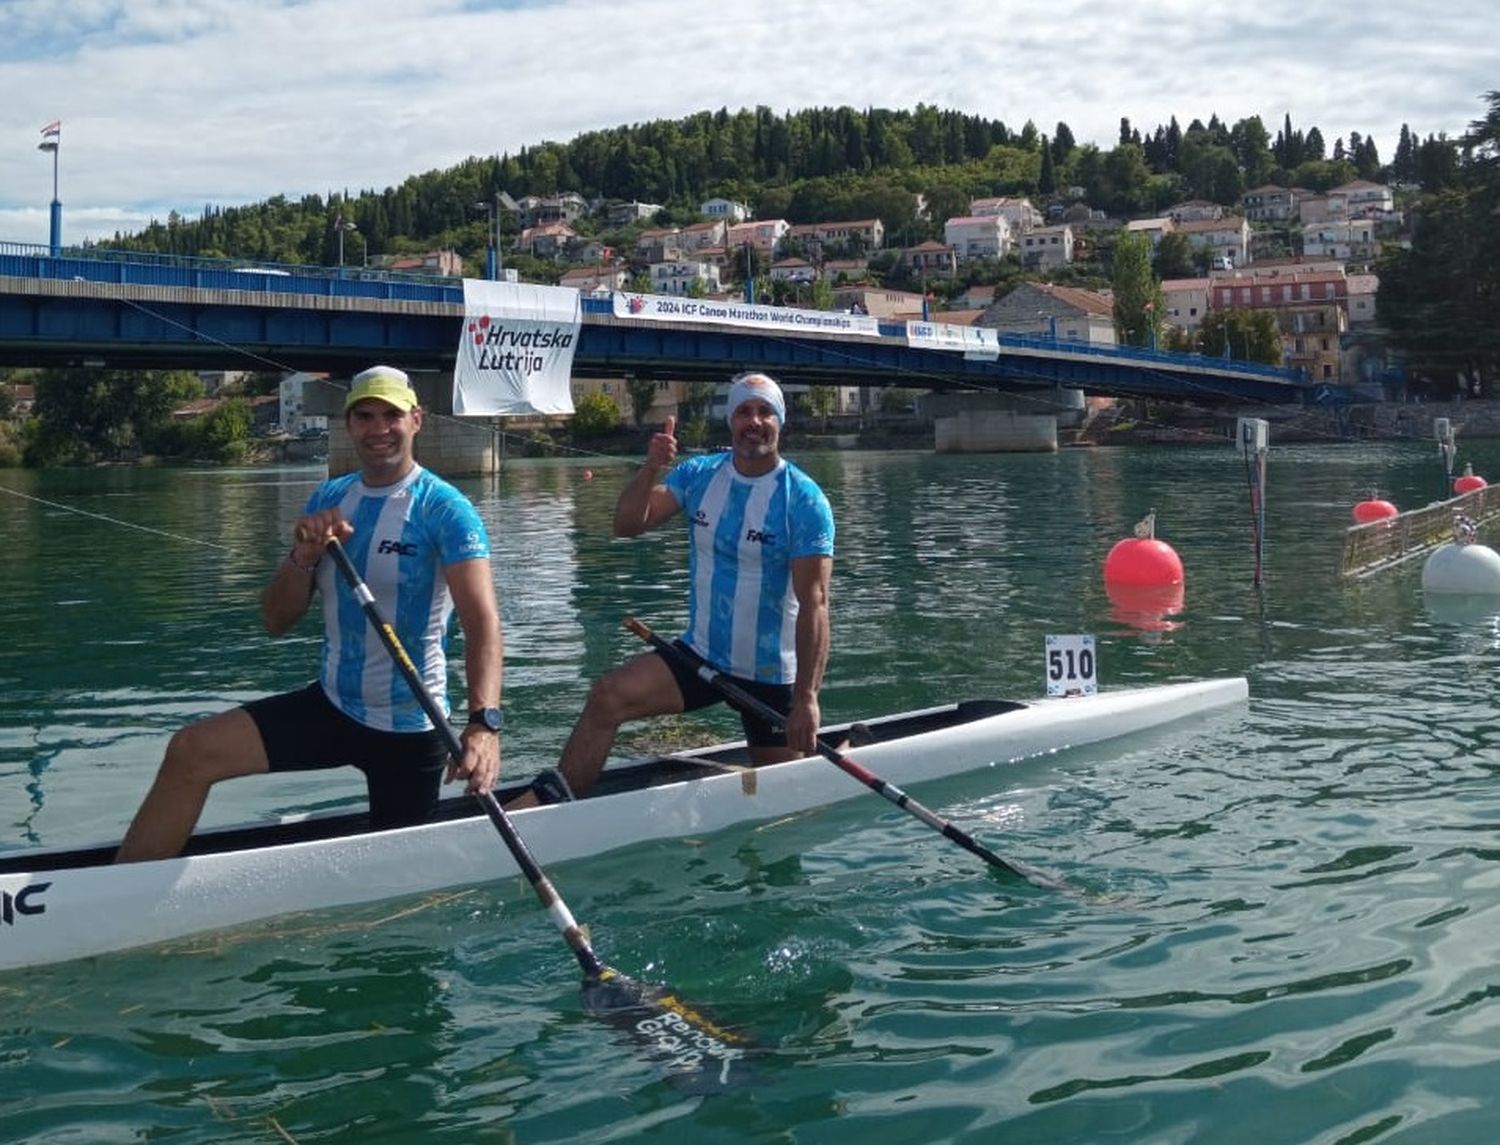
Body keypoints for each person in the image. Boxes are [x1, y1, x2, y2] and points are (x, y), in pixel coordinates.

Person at [116, 365, 503, 862]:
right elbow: (276, 621)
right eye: (364, 416)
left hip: (409, 728)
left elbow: (482, 623)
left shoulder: (446, 510)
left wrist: (484, 725)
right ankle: (119, 884)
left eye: (391, 415)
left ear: (417, 421)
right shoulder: (328, 499)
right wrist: (303, 557)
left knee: (397, 881)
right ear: (349, 424)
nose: (378, 428)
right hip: (333, 705)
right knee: (191, 750)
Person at [515, 370, 834, 807]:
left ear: (780, 422)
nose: (754, 422)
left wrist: (807, 699)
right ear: (731, 420)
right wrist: (651, 469)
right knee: (607, 696)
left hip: (770, 676)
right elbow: (627, 525)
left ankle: (836, 751)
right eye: (744, 411)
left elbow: (815, 603)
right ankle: (556, 805)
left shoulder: (805, 500)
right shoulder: (699, 476)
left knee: (793, 804)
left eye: (765, 412)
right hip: (700, 656)